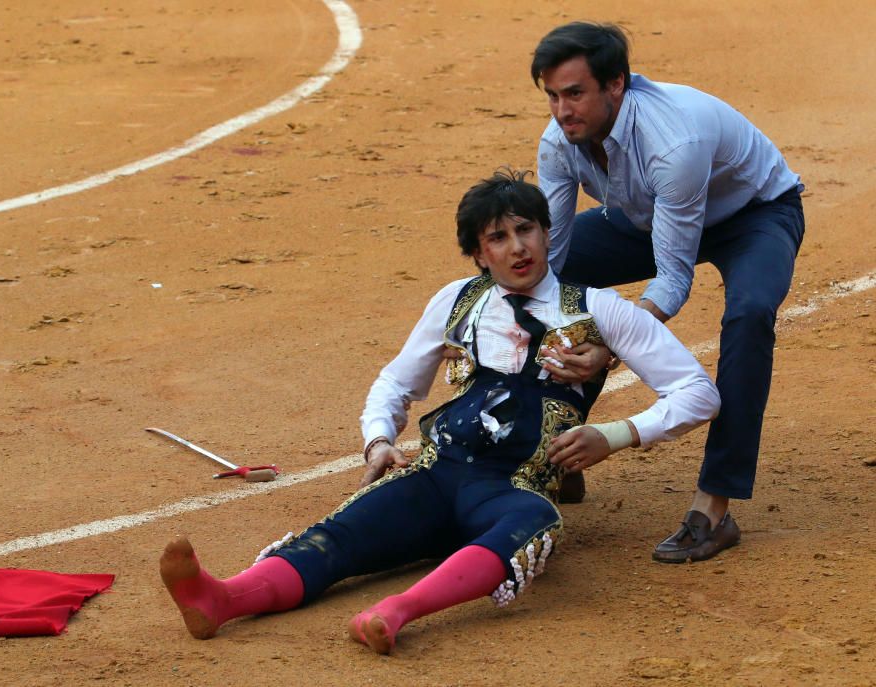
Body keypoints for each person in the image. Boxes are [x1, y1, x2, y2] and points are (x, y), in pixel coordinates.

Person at [159, 170, 720, 655]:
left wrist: (617, 434)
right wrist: (378, 440)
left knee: (537, 523)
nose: (518, 247)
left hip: (511, 487)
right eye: (498, 237)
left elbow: (698, 392)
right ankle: (222, 598)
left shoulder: (601, 309)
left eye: (526, 229)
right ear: (480, 253)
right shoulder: (457, 300)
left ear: (548, 234)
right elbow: (397, 382)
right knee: (338, 538)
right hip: (435, 472)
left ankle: (396, 612)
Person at [531, 22, 805, 563]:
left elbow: (673, 277)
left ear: (616, 85)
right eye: (553, 96)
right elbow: (550, 260)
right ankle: (555, 450)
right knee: (540, 279)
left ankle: (714, 508)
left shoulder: (672, 143)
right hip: (646, 217)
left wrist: (608, 346)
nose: (563, 111)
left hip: (753, 216)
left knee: (749, 316)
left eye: (575, 93)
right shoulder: (559, 142)